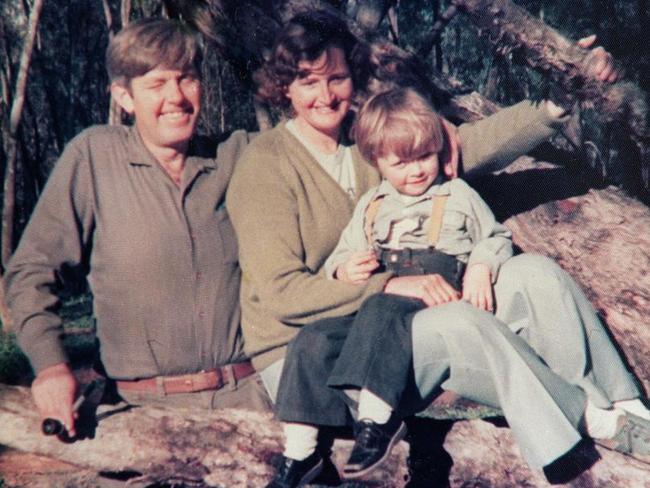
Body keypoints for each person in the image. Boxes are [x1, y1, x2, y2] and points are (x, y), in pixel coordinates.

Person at [225, 11, 650, 487]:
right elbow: (282, 295)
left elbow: (466, 148)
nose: (325, 95)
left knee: (533, 274)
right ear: (284, 87)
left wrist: (561, 97)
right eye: (307, 81)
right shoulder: (264, 165)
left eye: (337, 78)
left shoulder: (368, 139)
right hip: (319, 357)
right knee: (458, 320)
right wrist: (389, 283)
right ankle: (583, 422)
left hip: (399, 316)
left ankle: (626, 409)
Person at [4, 18, 271, 438]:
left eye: (187, 79)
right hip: (139, 414)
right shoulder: (94, 158)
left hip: (250, 405)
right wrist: (51, 367)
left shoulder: (238, 155)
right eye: (156, 84)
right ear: (124, 98)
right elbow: (31, 272)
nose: (176, 97)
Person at [278, 86, 515, 480]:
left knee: (381, 305)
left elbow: (495, 238)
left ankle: (374, 424)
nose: (417, 170)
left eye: (425, 156)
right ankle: (300, 454)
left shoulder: (456, 193)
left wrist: (480, 267)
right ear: (377, 162)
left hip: (432, 303)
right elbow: (339, 257)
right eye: (402, 163)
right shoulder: (372, 203)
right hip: (381, 306)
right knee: (313, 338)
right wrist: (344, 268)